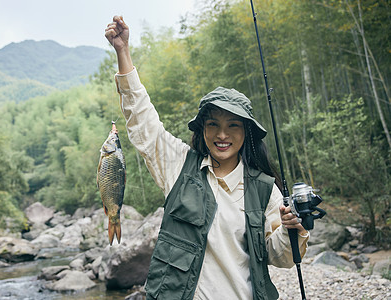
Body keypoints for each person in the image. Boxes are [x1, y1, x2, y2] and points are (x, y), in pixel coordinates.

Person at [104, 15, 309, 300]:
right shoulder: (178, 165)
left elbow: (281, 257)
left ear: (247, 132)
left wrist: (293, 230)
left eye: (233, 125)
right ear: (201, 130)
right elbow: (143, 120)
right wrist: (123, 51)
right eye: (213, 124)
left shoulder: (265, 190)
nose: (222, 134)